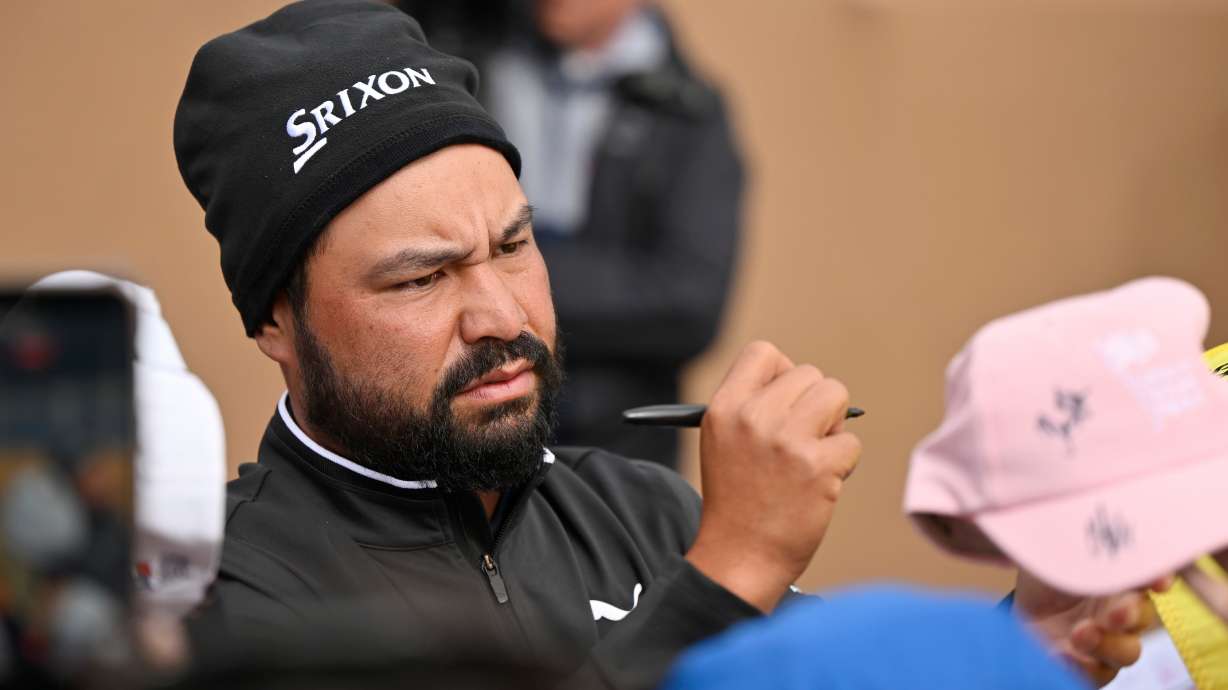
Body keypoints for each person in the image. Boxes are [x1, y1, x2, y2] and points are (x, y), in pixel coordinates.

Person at [172, 2, 1155, 687]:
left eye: (515, 246)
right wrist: (728, 573)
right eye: (423, 277)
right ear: (276, 322)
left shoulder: (633, 507)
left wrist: (1030, 635)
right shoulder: (229, 593)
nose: (500, 316)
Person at [398, 0, 745, 468]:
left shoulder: (687, 109)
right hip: (456, 435)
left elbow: (689, 301)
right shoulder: (463, 48)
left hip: (614, 449)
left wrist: (488, 272)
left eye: (512, 251)